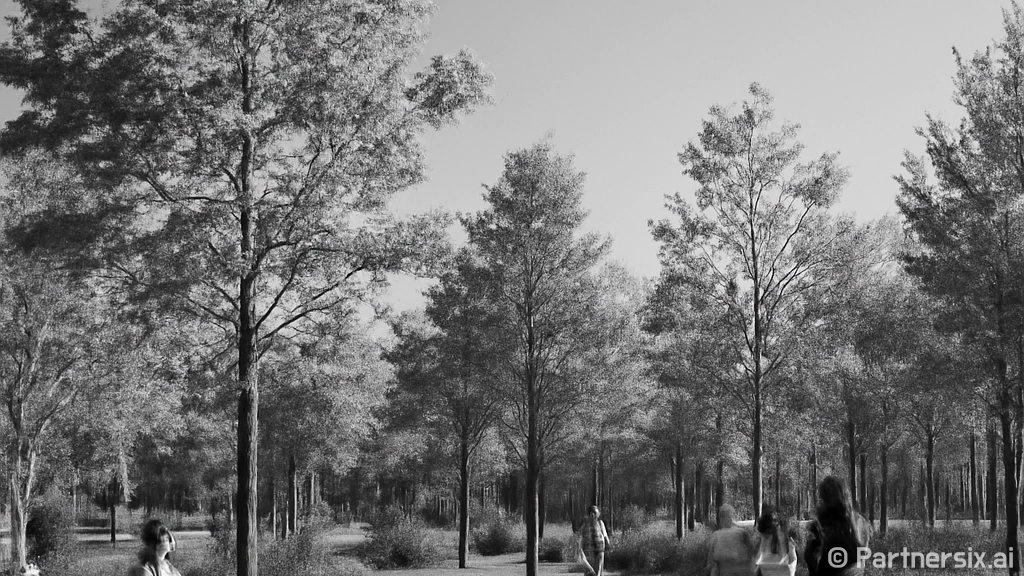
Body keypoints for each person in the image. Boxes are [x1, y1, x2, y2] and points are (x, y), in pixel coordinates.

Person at [805, 476, 871, 576]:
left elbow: (811, 558)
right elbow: (864, 554)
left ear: (823, 497)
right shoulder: (861, 521)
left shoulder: (820, 525)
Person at [707, 504, 755, 576]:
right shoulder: (715, 536)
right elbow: (712, 563)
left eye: (729, 516)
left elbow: (753, 552)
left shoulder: (742, 533)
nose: (729, 519)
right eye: (726, 516)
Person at [754, 507, 798, 576]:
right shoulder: (763, 540)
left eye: (766, 535)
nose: (764, 537)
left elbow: (792, 561)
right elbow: (758, 560)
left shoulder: (786, 541)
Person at [579, 505, 611, 576]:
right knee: (589, 571)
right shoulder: (584, 525)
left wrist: (608, 543)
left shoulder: (600, 523)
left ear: (598, 514)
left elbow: (604, 534)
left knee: (599, 571)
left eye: (594, 513)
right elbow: (581, 537)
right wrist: (580, 549)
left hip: (600, 550)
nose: (592, 515)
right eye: (591, 513)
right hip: (588, 551)